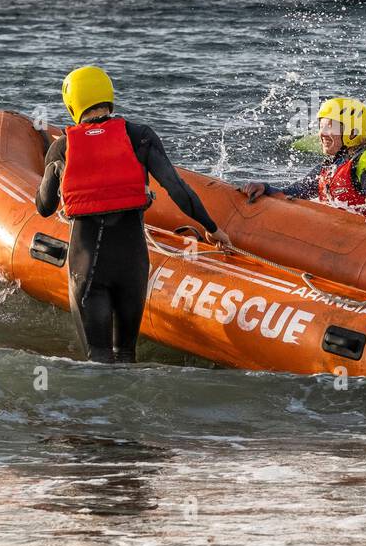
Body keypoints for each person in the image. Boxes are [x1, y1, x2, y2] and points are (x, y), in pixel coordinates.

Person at [36, 66, 231, 363]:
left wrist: (54, 167)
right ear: (108, 96)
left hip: (87, 268)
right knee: (126, 355)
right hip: (133, 268)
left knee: (98, 360)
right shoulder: (140, 136)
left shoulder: (63, 148)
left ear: (73, 104)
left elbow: (44, 207)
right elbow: (177, 189)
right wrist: (212, 228)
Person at [239, 96, 366, 223]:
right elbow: (294, 192)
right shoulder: (328, 167)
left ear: (352, 132)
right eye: (321, 126)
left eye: (331, 127)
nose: (323, 133)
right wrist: (265, 188)